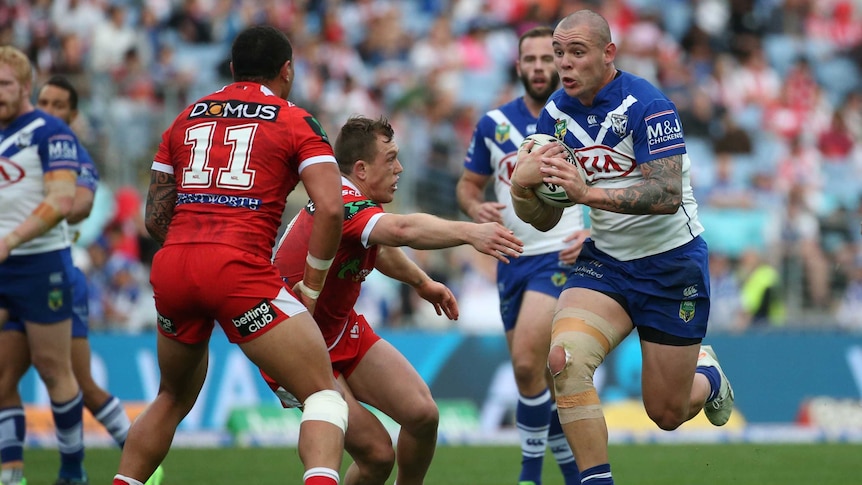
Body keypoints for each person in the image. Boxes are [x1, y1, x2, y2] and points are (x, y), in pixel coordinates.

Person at [113, 25, 348, 485]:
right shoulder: (293, 118)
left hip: (175, 265)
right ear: (287, 70)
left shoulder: (185, 117)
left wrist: (194, 258)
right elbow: (333, 206)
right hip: (238, 267)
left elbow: (154, 218)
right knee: (323, 394)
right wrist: (313, 289)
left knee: (170, 399)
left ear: (233, 68)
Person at [508, 11, 734, 485]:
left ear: (608, 54)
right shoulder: (554, 115)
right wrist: (522, 191)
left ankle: (708, 376)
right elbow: (546, 215)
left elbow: (666, 196)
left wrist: (585, 194)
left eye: (576, 53)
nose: (564, 65)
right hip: (607, 264)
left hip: (672, 265)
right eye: (558, 54)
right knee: (563, 361)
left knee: (667, 413)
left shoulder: (648, 105)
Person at [261, 115, 524, 485]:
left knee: (422, 414)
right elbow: (401, 230)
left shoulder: (352, 203)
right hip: (294, 345)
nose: (400, 168)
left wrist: (422, 282)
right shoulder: (342, 202)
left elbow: (378, 246)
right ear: (362, 169)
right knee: (377, 455)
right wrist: (470, 232)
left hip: (337, 329)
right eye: (391, 159)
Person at [0, 76, 164, 485]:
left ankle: (136, 459)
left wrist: (42, 203)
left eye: (59, 105)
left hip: (56, 274)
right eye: (44, 102)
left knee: (80, 383)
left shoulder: (71, 154)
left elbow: (78, 206)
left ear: (72, 115)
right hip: (14, 273)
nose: (50, 111)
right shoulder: (19, 149)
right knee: (5, 380)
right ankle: (12, 474)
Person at [456, 26, 587, 485]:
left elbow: (606, 185)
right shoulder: (493, 123)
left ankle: (529, 475)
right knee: (532, 381)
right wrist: (476, 207)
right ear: (518, 66)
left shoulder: (578, 119)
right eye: (529, 59)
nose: (538, 68)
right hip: (510, 259)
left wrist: (591, 232)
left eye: (546, 59)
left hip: (559, 255)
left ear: (560, 63)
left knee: (529, 364)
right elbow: (468, 186)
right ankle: (574, 473)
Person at [0, 47, 87, 485]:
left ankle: (72, 471)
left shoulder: (49, 132)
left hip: (40, 265)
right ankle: (10, 474)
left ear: (24, 86)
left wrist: (10, 241)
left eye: (5, 85)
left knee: (55, 369)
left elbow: (61, 200)